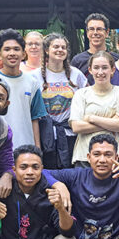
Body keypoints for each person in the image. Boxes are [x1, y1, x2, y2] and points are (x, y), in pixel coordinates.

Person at [0, 29, 47, 149]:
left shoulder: (32, 82)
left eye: (16, 49)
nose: (12, 53)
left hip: (25, 149)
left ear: (24, 54)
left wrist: (37, 149)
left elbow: (35, 118)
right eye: (7, 49)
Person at [33, 33, 88, 169]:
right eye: (56, 46)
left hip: (71, 134)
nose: (60, 50)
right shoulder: (34, 76)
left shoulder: (76, 74)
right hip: (45, 134)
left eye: (63, 47)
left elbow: (89, 98)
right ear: (46, 50)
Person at [69, 51, 119, 166]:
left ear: (112, 70)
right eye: (96, 68)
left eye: (105, 68)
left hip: (115, 157)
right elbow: (76, 127)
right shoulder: (81, 94)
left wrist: (91, 118)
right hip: (85, 156)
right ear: (90, 70)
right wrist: (112, 121)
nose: (100, 72)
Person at [71, 13, 119, 84]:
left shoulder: (116, 60)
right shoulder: (77, 61)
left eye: (99, 29)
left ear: (107, 32)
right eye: (91, 29)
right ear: (87, 33)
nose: (95, 33)